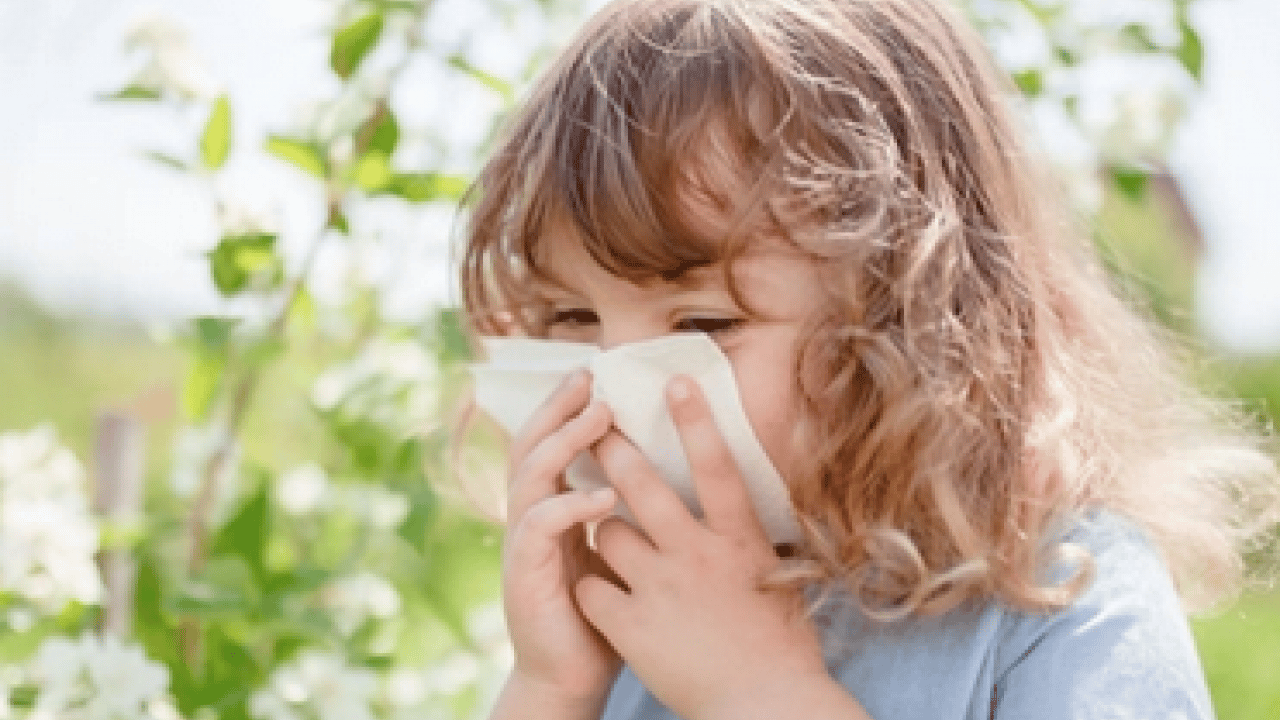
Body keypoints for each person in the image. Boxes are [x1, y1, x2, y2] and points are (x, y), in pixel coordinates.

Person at [455, 0, 1280, 718]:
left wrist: (762, 697)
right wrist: (553, 689)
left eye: (705, 323)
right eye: (570, 317)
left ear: (909, 318)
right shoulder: (632, 618)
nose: (616, 393)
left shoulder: (1059, 595)